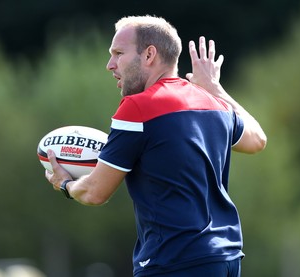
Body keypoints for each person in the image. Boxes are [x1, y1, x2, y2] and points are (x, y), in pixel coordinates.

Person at [45, 15, 267, 277]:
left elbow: (95, 192)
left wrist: (65, 185)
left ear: (149, 54)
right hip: (226, 258)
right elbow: (258, 139)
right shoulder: (213, 104)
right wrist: (216, 89)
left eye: (118, 53)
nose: (110, 65)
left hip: (175, 262)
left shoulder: (138, 108)